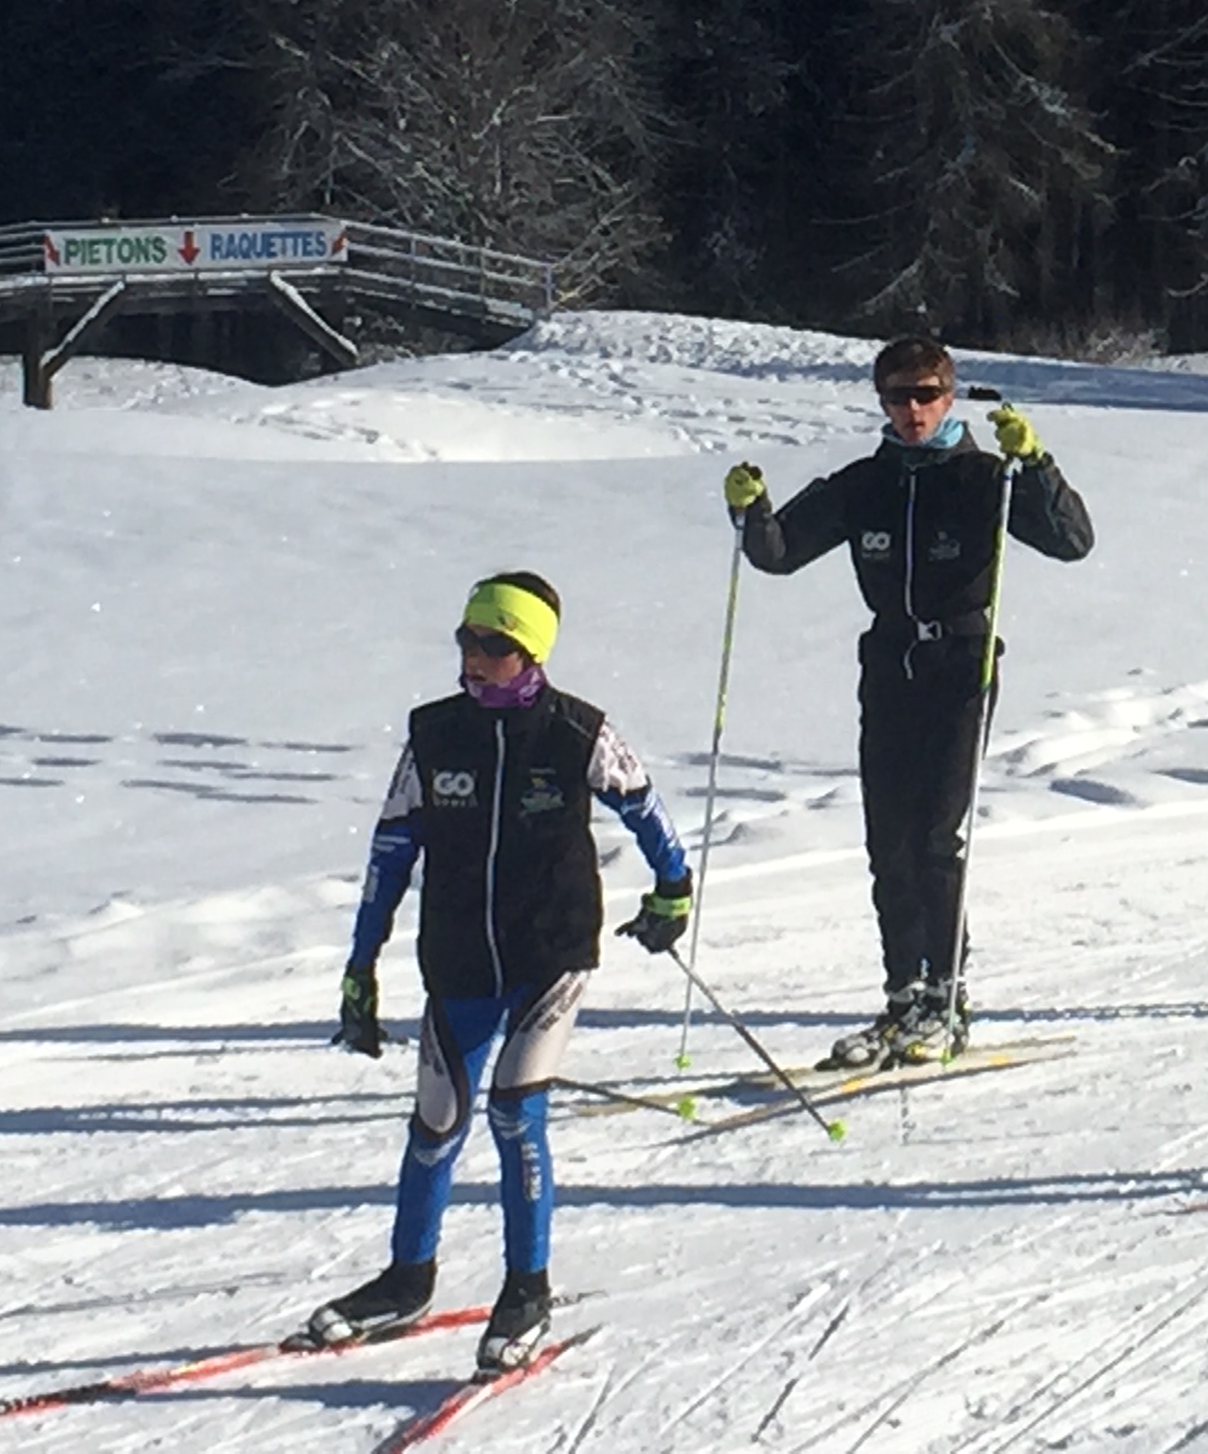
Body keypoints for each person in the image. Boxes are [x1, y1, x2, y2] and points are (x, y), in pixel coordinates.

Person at [299, 572, 693, 1374]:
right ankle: (408, 1279)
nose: (474, 660)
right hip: (458, 956)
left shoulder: (579, 732)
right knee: (436, 1123)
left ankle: (527, 1288)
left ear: (531, 653)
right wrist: (359, 967)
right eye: (467, 642)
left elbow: (647, 810)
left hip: (550, 954)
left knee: (516, 1114)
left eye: (495, 646)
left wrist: (673, 892)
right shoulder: (435, 734)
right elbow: (389, 856)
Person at [722, 336, 1094, 1069]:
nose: (914, 409)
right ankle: (903, 994)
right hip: (891, 662)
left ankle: (947, 998)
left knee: (935, 836)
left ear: (950, 397)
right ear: (881, 400)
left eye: (927, 394)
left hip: (963, 661)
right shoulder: (865, 483)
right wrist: (751, 509)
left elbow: (1073, 541)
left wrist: (1038, 463)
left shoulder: (988, 476)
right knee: (887, 838)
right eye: (899, 396)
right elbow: (779, 553)